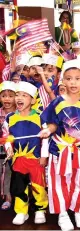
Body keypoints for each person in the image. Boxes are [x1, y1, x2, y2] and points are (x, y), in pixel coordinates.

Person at [40, 60, 80, 231]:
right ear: (63, 81)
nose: (73, 82)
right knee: (59, 181)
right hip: (59, 151)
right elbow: (52, 124)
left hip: (79, 151)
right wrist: (48, 131)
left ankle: (78, 210)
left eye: (77, 78)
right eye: (69, 78)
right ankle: (62, 213)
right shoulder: (56, 102)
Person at [3, 82, 49, 225]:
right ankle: (21, 211)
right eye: (17, 95)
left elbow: (46, 139)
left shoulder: (40, 117)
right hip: (18, 160)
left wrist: (44, 155)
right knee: (19, 186)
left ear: (33, 100)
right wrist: (8, 148)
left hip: (36, 159)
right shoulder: (9, 117)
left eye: (24, 95)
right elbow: (6, 136)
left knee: (38, 185)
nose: (19, 98)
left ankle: (40, 209)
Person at [0, 81, 16, 211]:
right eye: (4, 96)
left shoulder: (19, 114)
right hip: (1, 148)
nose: (7, 99)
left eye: (11, 96)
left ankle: (8, 197)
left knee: (9, 173)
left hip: (16, 149)